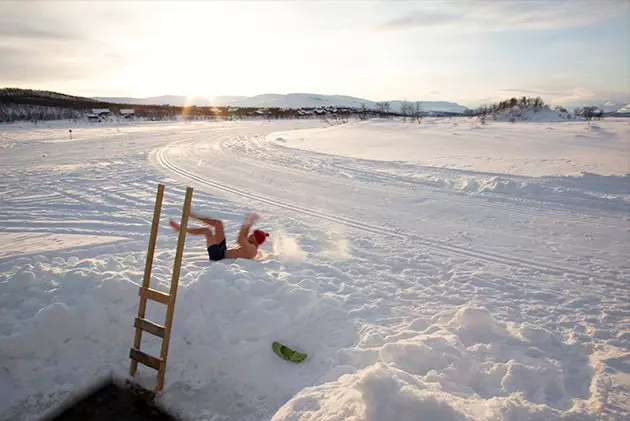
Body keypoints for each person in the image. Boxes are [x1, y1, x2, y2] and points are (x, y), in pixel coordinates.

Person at [169, 212, 268, 261]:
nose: (250, 235)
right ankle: (194, 217)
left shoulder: (252, 250)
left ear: (256, 239)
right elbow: (245, 234)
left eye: (252, 235)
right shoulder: (251, 245)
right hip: (222, 251)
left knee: (207, 231)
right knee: (218, 223)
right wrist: (249, 221)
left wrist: (248, 222)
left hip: (218, 257)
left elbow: (240, 239)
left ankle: (180, 229)